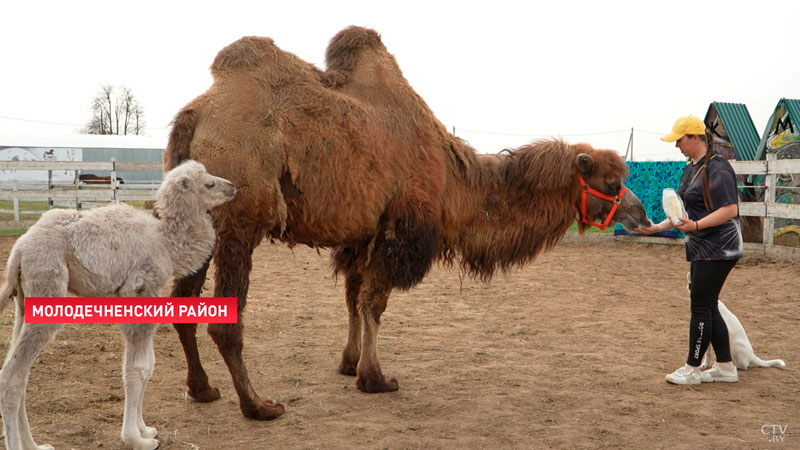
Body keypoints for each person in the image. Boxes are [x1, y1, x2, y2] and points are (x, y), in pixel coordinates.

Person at [635, 114, 743, 385]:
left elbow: (730, 209)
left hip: (719, 246)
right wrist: (656, 228)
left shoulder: (717, 167)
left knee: (700, 307)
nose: (677, 146)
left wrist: (695, 226)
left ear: (695, 137)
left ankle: (692, 368)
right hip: (703, 245)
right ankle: (726, 367)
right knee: (708, 305)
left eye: (680, 140)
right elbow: (680, 212)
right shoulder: (692, 168)